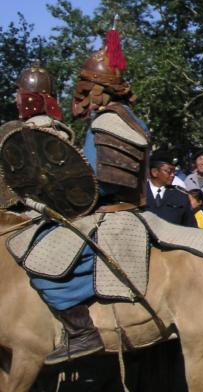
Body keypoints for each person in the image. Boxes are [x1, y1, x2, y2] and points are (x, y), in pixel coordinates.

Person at [26, 42, 150, 364]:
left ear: (99, 90)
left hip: (109, 216)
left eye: (86, 90)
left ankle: (82, 333)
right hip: (130, 211)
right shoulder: (131, 118)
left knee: (41, 262)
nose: (82, 98)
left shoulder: (106, 122)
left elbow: (101, 184)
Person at [145, 150, 196, 227]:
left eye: (174, 172)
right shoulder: (139, 193)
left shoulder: (180, 196)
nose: (172, 175)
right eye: (169, 171)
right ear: (154, 172)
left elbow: (190, 227)